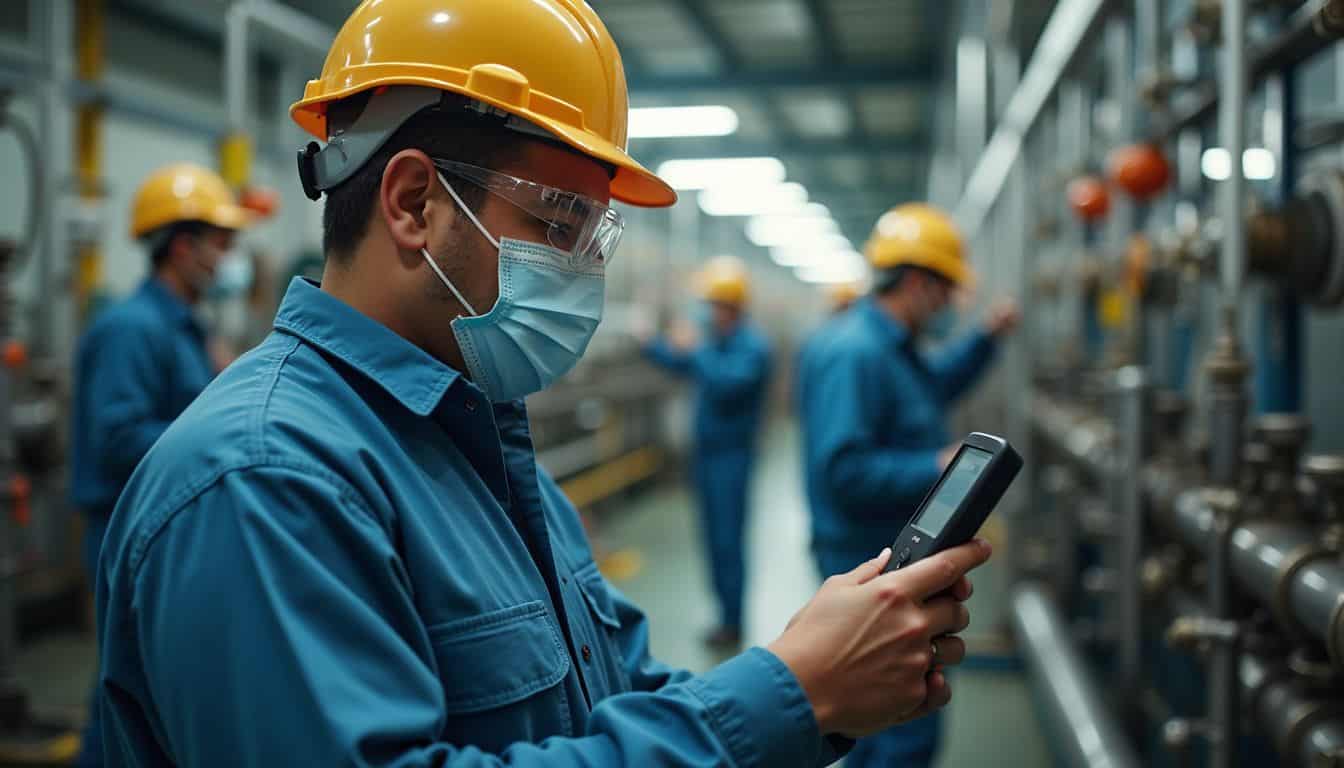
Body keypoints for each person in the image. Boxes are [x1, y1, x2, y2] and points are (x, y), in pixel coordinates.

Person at [94, 3, 991, 766]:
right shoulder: (264, 483)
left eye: (591, 235)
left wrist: (818, 687)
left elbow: (618, 692)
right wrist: (785, 696)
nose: (578, 271)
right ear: (413, 204)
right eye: (558, 221)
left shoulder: (477, 439)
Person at [798, 203, 1020, 768]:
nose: (950, 305)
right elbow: (843, 472)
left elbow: (932, 389)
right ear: (919, 283)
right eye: (946, 291)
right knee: (893, 726)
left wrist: (986, 339)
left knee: (893, 717)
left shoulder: (892, 346)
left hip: (892, 553)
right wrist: (935, 466)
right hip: (868, 558)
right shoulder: (855, 354)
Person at [68, 163, 251, 768]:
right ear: (182, 247)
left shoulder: (181, 328)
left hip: (161, 527)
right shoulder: (131, 329)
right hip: (124, 532)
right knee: (129, 686)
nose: (226, 261)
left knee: (158, 682)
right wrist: (222, 434)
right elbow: (119, 438)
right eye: (221, 246)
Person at [642, 257, 771, 649]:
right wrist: (650, 341)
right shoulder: (714, 342)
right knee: (713, 541)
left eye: (713, 304)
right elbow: (681, 362)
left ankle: (733, 622)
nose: (707, 312)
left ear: (731, 306)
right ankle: (724, 615)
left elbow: (725, 383)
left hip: (732, 458)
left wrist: (695, 348)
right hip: (708, 457)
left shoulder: (752, 347)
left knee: (728, 541)